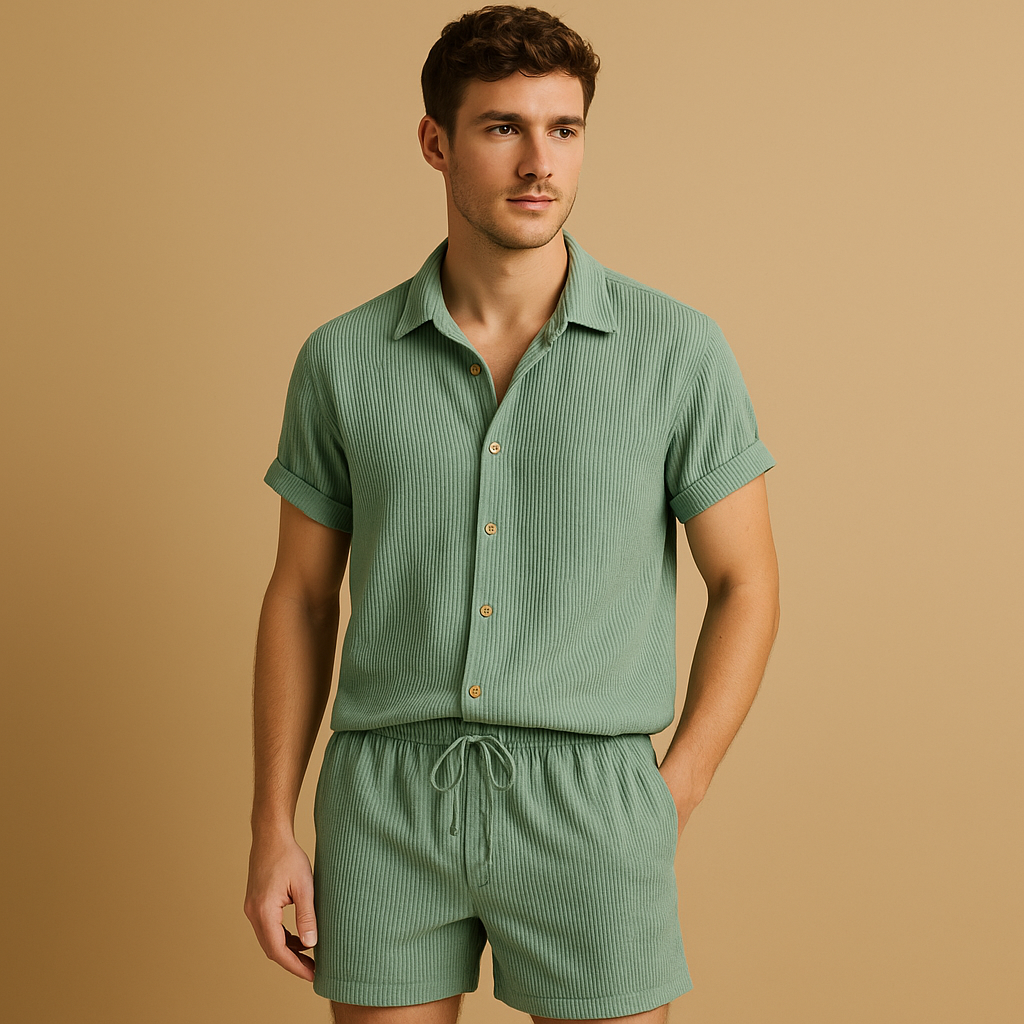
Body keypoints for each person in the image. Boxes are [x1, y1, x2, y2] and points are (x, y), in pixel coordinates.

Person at [244, 5, 780, 1023]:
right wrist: (272, 825)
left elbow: (747, 581)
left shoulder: (678, 352)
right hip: (386, 801)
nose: (540, 163)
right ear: (435, 142)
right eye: (502, 128)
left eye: (563, 129)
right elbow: (301, 598)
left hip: (590, 802)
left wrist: (675, 789)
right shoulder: (341, 360)